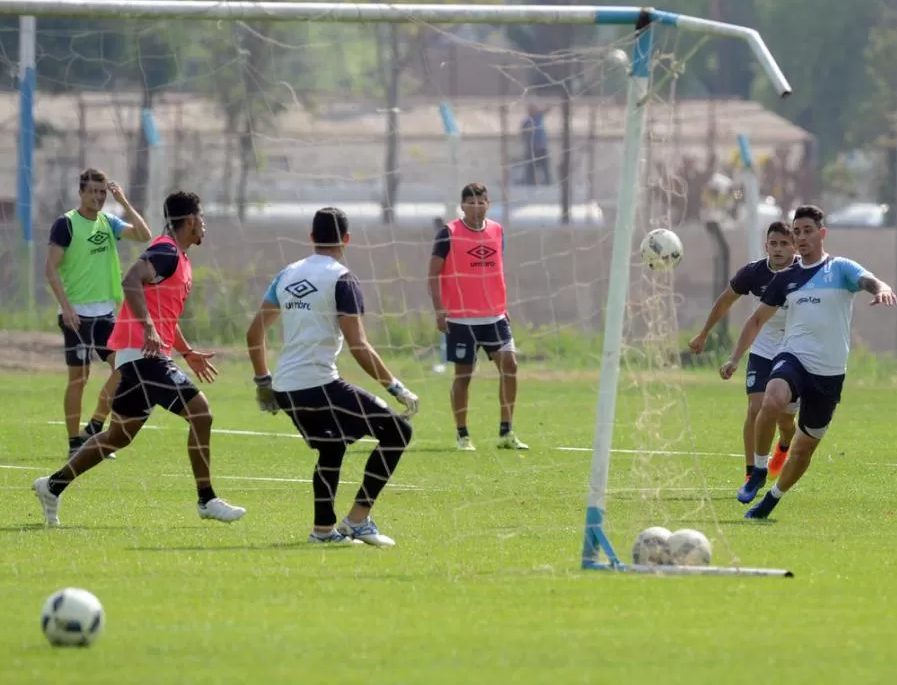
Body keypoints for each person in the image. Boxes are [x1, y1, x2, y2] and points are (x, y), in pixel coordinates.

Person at [33, 191, 246, 527]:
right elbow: (131, 279)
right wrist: (147, 327)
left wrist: (187, 352)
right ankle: (207, 499)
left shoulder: (180, 259)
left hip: (140, 356)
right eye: (201, 218)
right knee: (201, 414)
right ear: (190, 220)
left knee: (118, 436)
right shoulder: (165, 250)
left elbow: (166, 319)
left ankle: (52, 486)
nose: (204, 224)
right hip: (143, 355)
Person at [245, 207, 419, 547]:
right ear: (348, 239)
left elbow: (254, 334)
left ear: (311, 238)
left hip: (286, 388)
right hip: (320, 384)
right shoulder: (343, 278)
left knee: (332, 446)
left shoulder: (286, 275)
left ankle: (323, 532)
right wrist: (396, 387)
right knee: (399, 431)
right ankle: (358, 518)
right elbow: (359, 345)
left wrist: (264, 384)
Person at [719, 205, 897, 519]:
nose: (801, 237)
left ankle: (772, 499)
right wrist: (735, 357)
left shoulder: (840, 268)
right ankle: (758, 471)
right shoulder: (786, 277)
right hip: (794, 357)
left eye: (807, 231)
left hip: (829, 373)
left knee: (803, 450)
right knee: (770, 401)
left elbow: (868, 280)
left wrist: (881, 288)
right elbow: (757, 319)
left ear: (822, 234)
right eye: (797, 231)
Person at [45, 168, 152, 458]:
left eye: (102, 192)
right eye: (92, 192)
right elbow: (50, 268)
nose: (98, 197)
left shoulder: (109, 222)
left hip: (105, 313)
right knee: (79, 378)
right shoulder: (65, 224)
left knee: (124, 369)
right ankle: (74, 443)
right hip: (76, 314)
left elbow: (144, 235)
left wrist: (125, 202)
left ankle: (94, 427)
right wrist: (66, 308)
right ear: (81, 193)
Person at [688, 221, 798, 500]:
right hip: (763, 348)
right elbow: (725, 301)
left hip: (796, 349)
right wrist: (704, 335)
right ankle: (752, 474)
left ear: (794, 247)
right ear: (766, 246)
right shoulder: (753, 273)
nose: (779, 249)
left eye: (785, 243)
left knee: (786, 420)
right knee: (756, 408)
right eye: (774, 243)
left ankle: (784, 446)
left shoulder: (806, 273)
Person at [427, 182, 528, 451]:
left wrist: (503, 308)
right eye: (470, 202)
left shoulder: (497, 230)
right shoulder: (448, 233)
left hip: (495, 318)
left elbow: (495, 271)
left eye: (481, 201)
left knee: (510, 367)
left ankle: (506, 432)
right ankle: (462, 435)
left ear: (488, 203)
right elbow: (433, 274)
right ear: (462, 206)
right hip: (461, 320)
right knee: (464, 376)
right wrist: (439, 310)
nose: (476, 207)